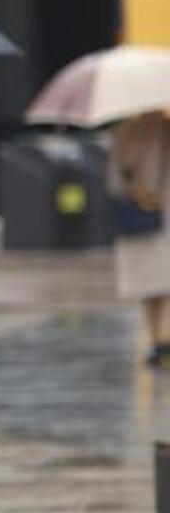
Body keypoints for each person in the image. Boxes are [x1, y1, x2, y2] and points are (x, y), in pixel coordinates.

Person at [107, 112, 170, 367]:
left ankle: (155, 340)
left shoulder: (124, 133)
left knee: (149, 285)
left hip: (137, 216)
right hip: (165, 216)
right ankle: (166, 341)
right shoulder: (165, 129)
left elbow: (113, 183)